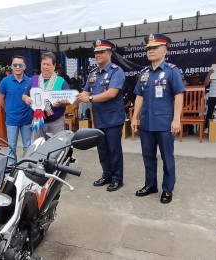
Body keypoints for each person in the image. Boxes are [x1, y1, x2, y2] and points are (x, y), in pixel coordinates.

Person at [131, 34, 185, 203]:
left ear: (165, 50)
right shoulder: (144, 73)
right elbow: (139, 96)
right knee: (148, 156)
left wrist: (177, 119)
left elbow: (179, 95)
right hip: (146, 122)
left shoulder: (172, 71)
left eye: (154, 48)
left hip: (164, 123)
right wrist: (134, 118)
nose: (151, 51)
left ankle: (167, 189)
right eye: (148, 48)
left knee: (167, 157)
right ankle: (150, 185)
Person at [76, 39, 126, 192]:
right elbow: (85, 91)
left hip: (113, 119)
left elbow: (111, 93)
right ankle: (106, 175)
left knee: (114, 149)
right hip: (98, 118)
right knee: (102, 149)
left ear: (109, 53)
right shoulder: (93, 73)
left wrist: (89, 98)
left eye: (101, 52)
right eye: (96, 52)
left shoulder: (116, 71)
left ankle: (117, 178)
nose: (97, 55)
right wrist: (74, 96)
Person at [22, 52, 70, 140]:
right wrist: (26, 99)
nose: (45, 67)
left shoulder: (61, 81)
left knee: (56, 148)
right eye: (43, 64)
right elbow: (24, 95)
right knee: (38, 147)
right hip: (38, 120)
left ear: (54, 65)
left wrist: (62, 102)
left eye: (48, 64)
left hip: (56, 122)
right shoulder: (34, 80)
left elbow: (69, 99)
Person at [0, 55, 33, 164]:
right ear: (12, 66)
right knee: (11, 146)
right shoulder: (5, 81)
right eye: (15, 65)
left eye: (20, 65)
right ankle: (11, 168)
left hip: (27, 118)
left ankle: (26, 166)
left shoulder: (30, 81)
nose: (17, 67)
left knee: (27, 145)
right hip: (12, 119)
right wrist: (9, 110)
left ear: (24, 67)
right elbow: (0, 99)